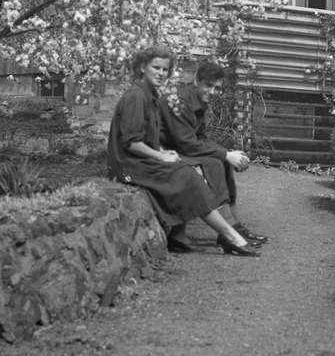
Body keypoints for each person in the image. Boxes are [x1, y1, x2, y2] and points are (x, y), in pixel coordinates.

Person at [106, 46, 258, 257]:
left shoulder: (148, 95)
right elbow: (131, 143)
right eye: (155, 68)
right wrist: (161, 155)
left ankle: (181, 236)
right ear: (142, 67)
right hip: (127, 166)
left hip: (138, 160)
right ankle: (231, 237)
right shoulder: (136, 96)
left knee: (188, 168)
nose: (161, 73)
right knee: (187, 176)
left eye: (165, 69)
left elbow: (151, 137)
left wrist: (162, 152)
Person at [157, 60, 265, 247]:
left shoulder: (198, 101)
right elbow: (188, 144)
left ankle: (234, 226)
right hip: (162, 152)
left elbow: (201, 137)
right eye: (208, 85)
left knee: (221, 161)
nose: (213, 92)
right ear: (196, 81)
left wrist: (227, 154)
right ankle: (229, 231)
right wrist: (225, 155)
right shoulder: (181, 102)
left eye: (217, 88)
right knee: (215, 163)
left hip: (178, 149)